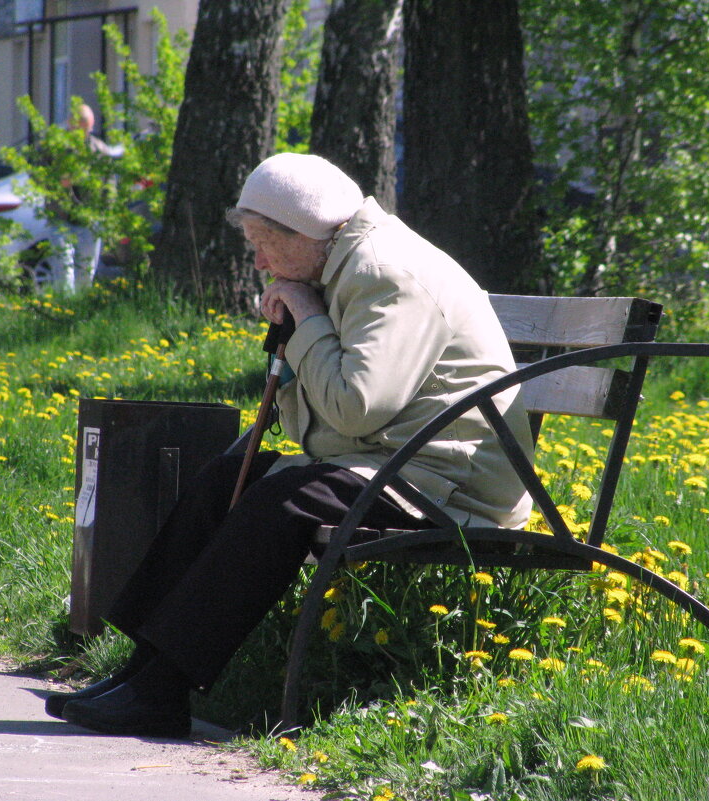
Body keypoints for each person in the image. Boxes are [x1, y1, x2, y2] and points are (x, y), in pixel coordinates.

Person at [45, 153, 535, 738]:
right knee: (222, 482)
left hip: (447, 483)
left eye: (263, 244)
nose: (258, 262)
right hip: (390, 459)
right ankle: (142, 673)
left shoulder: (387, 274)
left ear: (306, 235)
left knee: (284, 502)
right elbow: (342, 416)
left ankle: (162, 687)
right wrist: (305, 321)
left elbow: (357, 407)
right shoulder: (340, 263)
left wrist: (306, 318)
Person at [48, 103, 117, 292]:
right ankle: (63, 308)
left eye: (86, 127)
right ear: (70, 123)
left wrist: (105, 211)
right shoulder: (54, 148)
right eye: (78, 125)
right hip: (61, 217)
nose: (81, 131)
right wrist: (56, 183)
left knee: (86, 271)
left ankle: (80, 311)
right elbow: (37, 175)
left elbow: (109, 185)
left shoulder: (100, 151)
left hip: (90, 219)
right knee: (63, 270)